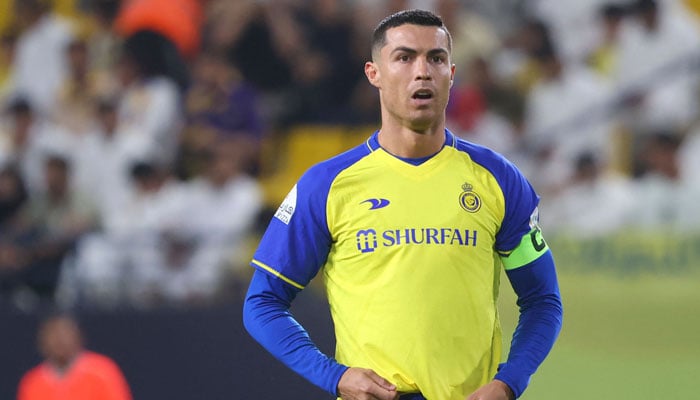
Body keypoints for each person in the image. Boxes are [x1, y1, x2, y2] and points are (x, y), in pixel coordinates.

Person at [243, 9, 562, 400]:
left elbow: (542, 300)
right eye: (405, 57)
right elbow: (263, 302)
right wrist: (334, 375)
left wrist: (509, 381)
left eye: (436, 58)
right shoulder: (327, 185)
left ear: (451, 74)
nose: (422, 71)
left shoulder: (498, 179)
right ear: (373, 73)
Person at [17, 312, 132, 400]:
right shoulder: (31, 382)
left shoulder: (102, 371)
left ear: (78, 336)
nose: (60, 341)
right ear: (42, 341)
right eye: (53, 335)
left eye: (65, 334)